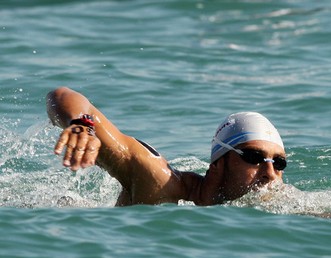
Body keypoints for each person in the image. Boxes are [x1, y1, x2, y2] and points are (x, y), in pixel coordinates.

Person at [47, 87, 287, 206]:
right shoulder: (160, 183)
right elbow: (61, 95)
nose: (270, 173)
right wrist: (81, 124)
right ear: (218, 162)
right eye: (254, 157)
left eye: (279, 163)